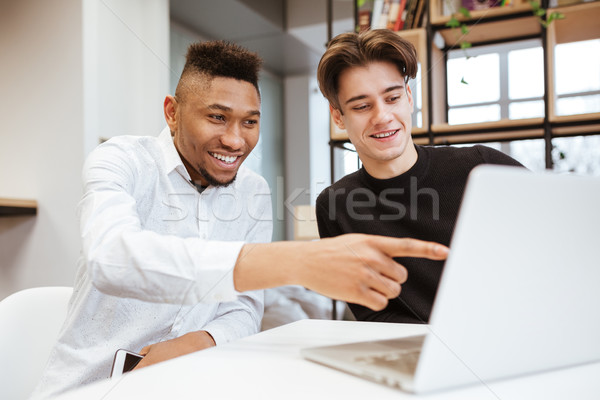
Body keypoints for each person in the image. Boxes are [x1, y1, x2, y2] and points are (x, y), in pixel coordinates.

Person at [32, 40, 449, 399]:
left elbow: (245, 309)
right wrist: (296, 262)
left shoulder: (253, 191)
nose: (234, 139)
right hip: (89, 388)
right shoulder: (122, 161)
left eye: (249, 122)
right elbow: (112, 258)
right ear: (172, 112)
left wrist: (196, 341)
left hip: (189, 381)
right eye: (217, 117)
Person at [315, 29, 523, 324]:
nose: (382, 116)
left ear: (408, 97)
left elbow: (556, 244)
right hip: (414, 355)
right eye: (362, 106)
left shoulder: (482, 166)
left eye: (392, 97)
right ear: (338, 116)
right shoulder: (335, 205)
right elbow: (375, 314)